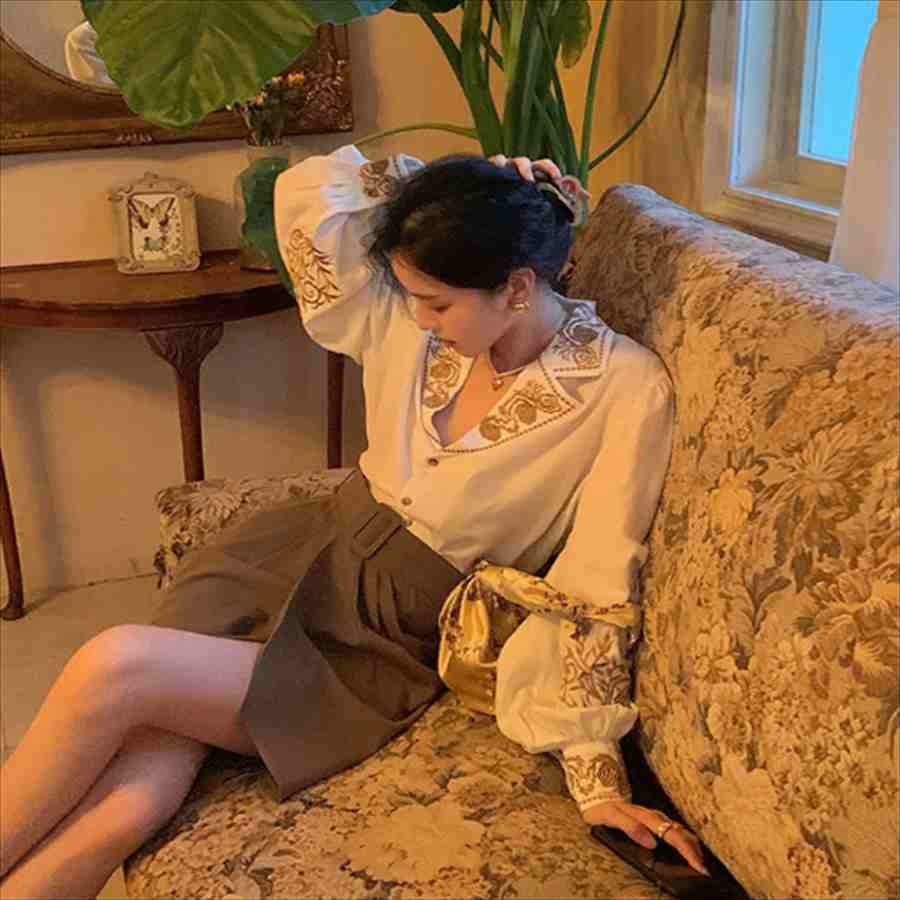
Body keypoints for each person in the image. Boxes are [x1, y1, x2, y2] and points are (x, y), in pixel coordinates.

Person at [0, 146, 706, 899]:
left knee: (114, 665)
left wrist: (596, 777)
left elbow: (597, 581)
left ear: (518, 287)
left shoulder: (624, 388)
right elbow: (309, 190)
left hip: (372, 637)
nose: (419, 318)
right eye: (412, 295)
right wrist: (436, 185)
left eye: (438, 303)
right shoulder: (412, 319)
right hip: (289, 551)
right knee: (134, 798)